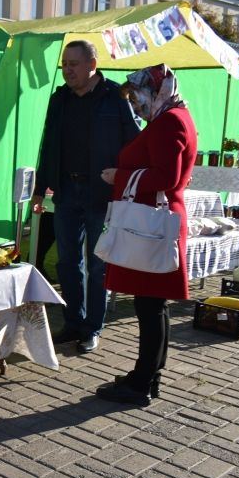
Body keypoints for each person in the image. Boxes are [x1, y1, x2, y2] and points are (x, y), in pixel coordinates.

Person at [96, 64, 197, 406]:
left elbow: (165, 177)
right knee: (153, 304)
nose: (135, 105)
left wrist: (119, 177)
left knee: (150, 304)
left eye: (138, 97)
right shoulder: (173, 114)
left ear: (155, 91)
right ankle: (147, 376)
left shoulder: (168, 121)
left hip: (152, 222)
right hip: (157, 219)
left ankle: (142, 382)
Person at [31, 40, 140, 354]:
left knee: (97, 263)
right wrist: (40, 189)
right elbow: (48, 146)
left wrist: (122, 179)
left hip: (101, 194)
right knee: (67, 262)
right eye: (65, 64)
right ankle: (73, 322)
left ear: (93, 64)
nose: (68, 70)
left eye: (74, 64)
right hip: (65, 191)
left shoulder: (116, 97)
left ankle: (92, 327)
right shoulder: (59, 98)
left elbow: (134, 143)